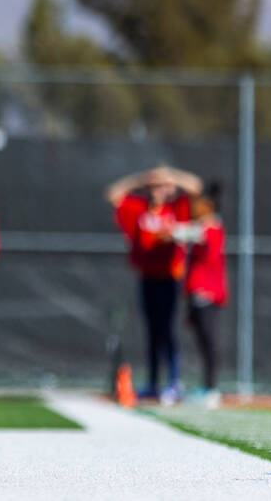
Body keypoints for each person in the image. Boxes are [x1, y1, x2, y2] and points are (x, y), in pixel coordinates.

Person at [105, 164, 201, 405]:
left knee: (168, 330)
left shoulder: (175, 207)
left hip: (170, 276)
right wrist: (141, 178)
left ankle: (174, 381)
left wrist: (172, 176)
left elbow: (196, 187)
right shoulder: (140, 208)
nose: (158, 190)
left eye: (161, 186)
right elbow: (112, 194)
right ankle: (153, 382)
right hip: (148, 276)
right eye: (154, 186)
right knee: (152, 331)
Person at [178, 181, 228, 408]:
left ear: (208, 205)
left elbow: (207, 248)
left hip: (208, 295)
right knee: (201, 341)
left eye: (198, 204)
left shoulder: (212, 228)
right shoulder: (199, 228)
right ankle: (205, 386)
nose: (193, 207)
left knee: (209, 341)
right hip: (195, 296)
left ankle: (211, 388)